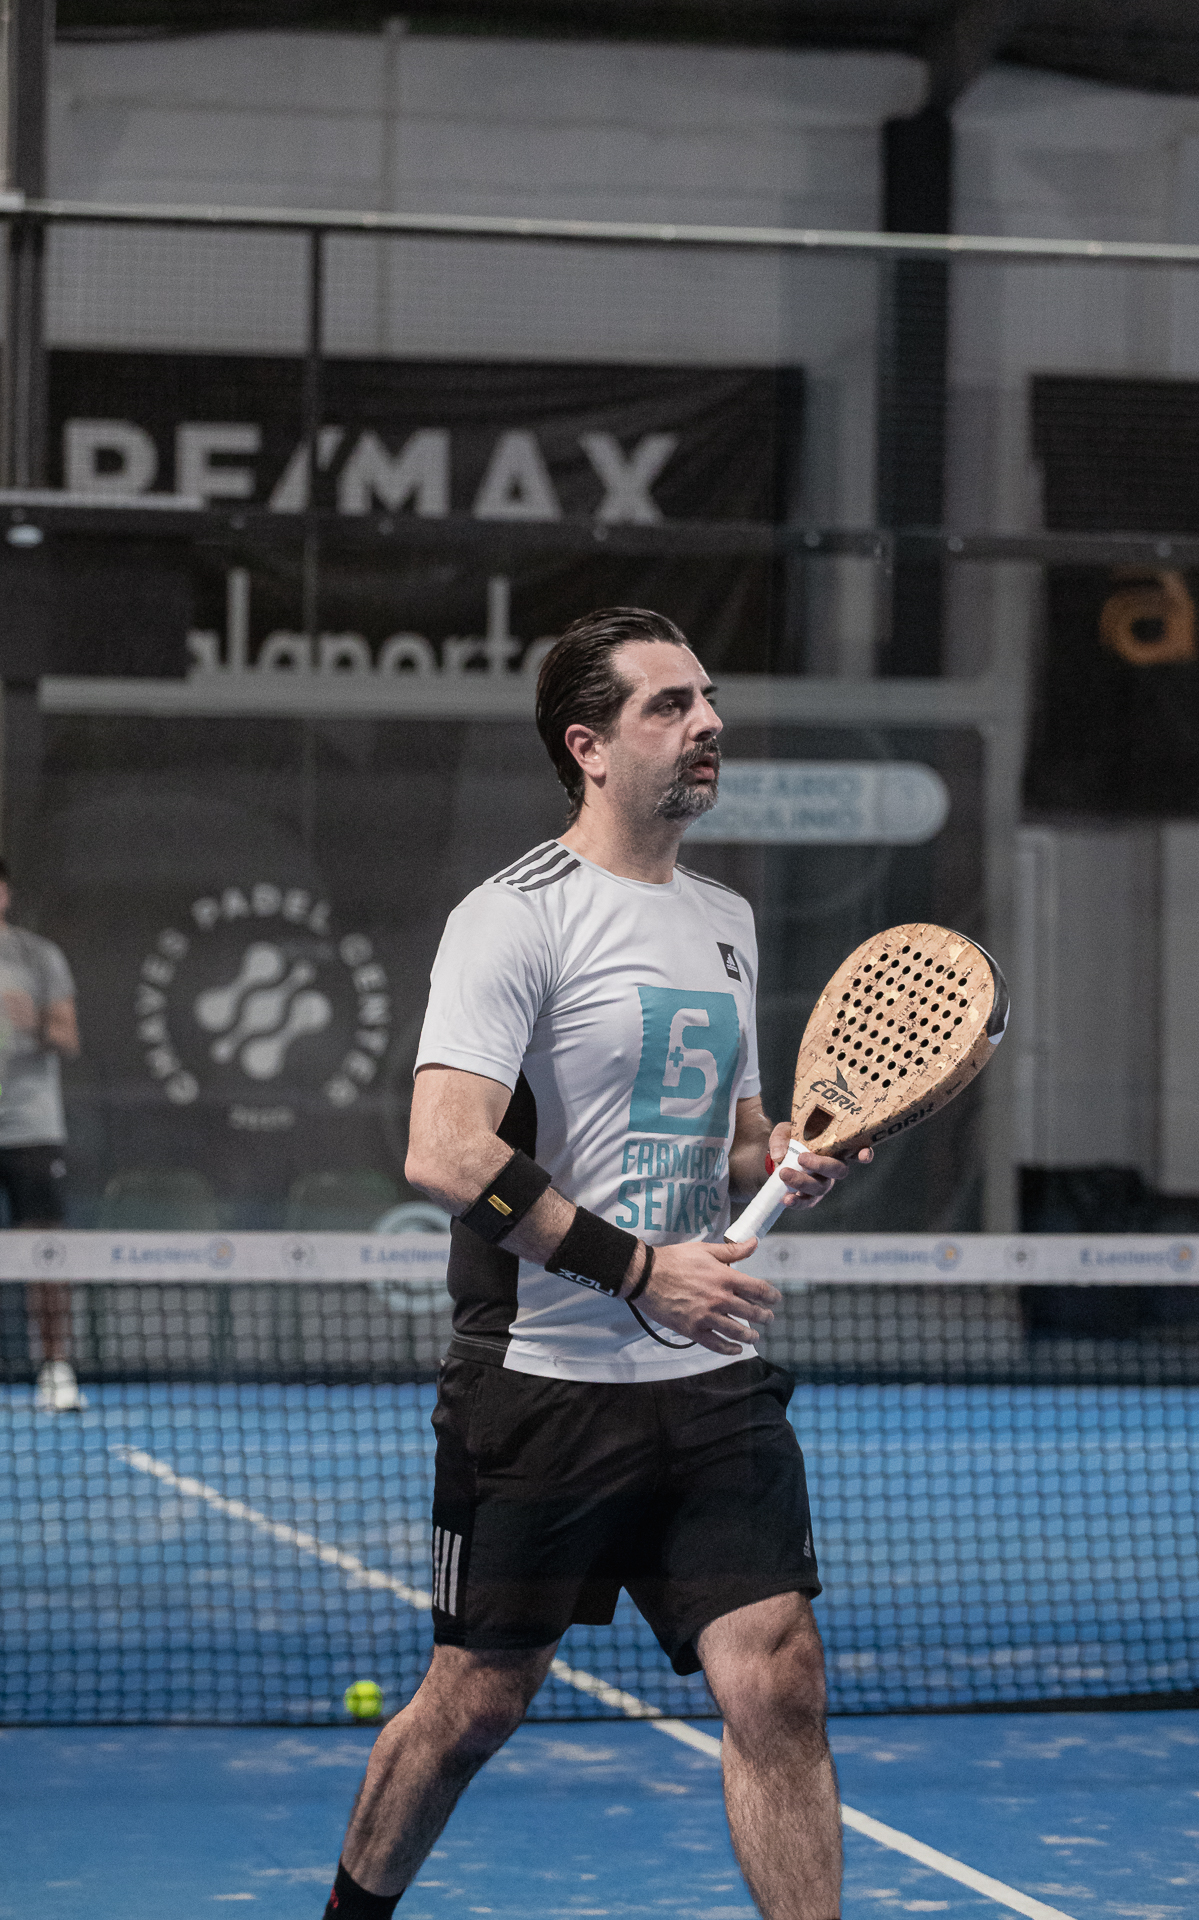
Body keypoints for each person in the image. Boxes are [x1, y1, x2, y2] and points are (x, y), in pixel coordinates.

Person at [322, 607, 870, 1920]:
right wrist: (639, 1272)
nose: (707, 723)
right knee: (474, 1702)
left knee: (778, 1679)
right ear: (589, 747)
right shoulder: (510, 920)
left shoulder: (725, 920)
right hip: (540, 1385)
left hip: (706, 1383)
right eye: (668, 706)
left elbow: (730, 1135)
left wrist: (780, 1154)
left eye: (707, 698)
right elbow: (445, 1151)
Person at [0, 857, 82, 1412]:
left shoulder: (38, 956)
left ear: (4, 894)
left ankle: (55, 1368)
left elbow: (68, 1037)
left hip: (29, 1128)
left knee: (44, 1252)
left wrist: (31, 1020)